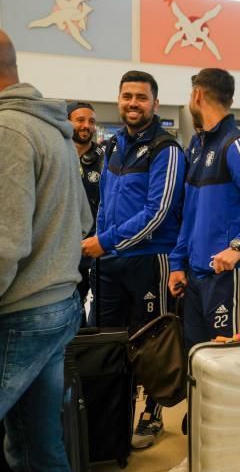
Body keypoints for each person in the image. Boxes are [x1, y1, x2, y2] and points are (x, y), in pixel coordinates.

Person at [0, 29, 92, 470]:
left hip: (21, 313)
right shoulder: (51, 129)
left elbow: (4, 245)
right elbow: (84, 222)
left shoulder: (7, 130)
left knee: (35, 446)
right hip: (58, 305)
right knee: (37, 446)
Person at [82, 70, 187, 448]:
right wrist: (99, 243)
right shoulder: (111, 147)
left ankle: (152, 415)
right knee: (109, 342)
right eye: (127, 96)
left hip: (149, 261)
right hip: (108, 264)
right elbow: (107, 206)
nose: (132, 103)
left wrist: (105, 242)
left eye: (141, 97)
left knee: (151, 342)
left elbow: (158, 212)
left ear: (154, 103)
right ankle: (113, 415)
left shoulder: (167, 149)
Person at [168, 68, 240, 344]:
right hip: (197, 275)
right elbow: (191, 214)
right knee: (199, 359)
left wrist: (239, 246)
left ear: (197, 95)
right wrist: (177, 263)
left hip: (229, 277)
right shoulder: (199, 147)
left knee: (232, 362)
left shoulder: (236, 145)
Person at [67, 101, 104, 318]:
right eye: (80, 120)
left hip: (97, 249)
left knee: (97, 314)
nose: (86, 126)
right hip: (63, 252)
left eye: (91, 121)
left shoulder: (105, 158)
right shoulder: (57, 155)